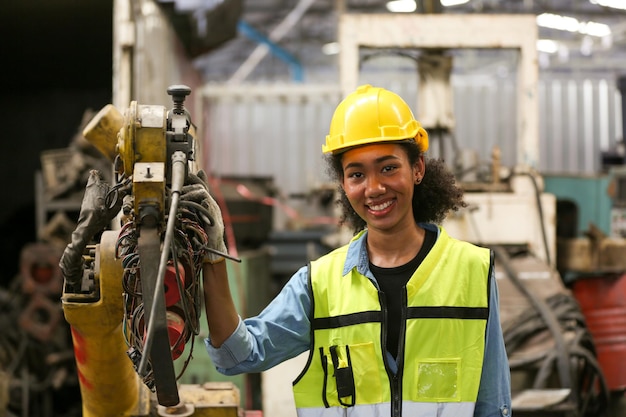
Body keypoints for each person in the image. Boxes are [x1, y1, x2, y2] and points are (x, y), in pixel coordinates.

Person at [200, 84, 512, 417]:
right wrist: (213, 255)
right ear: (344, 185)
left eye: (389, 167)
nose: (374, 188)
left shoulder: (472, 272)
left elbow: (493, 405)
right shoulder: (319, 285)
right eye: (357, 174)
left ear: (417, 168)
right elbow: (237, 355)